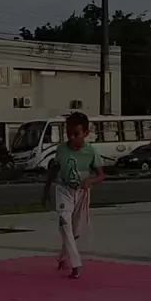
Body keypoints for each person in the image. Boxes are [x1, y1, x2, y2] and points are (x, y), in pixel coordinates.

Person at [42, 112, 104, 279]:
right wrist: (46, 190)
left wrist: (90, 181)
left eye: (76, 134)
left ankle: (63, 256)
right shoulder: (61, 149)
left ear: (86, 133)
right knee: (64, 224)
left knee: (75, 231)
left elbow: (101, 175)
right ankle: (76, 264)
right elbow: (54, 169)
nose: (71, 137)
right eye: (68, 133)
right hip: (63, 189)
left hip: (82, 193)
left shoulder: (91, 152)